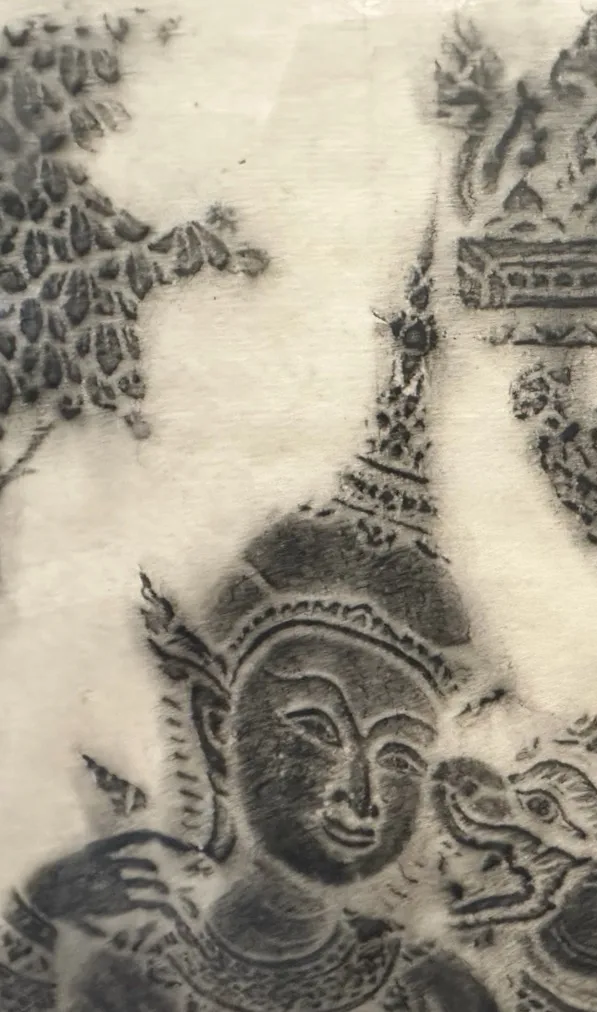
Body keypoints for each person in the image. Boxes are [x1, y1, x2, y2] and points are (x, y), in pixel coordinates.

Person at [0, 238, 504, 1012]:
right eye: (315, 726)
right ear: (218, 726)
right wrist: (38, 915)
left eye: (401, 754)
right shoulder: (131, 983)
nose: (361, 795)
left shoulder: (434, 990)